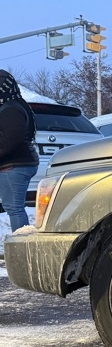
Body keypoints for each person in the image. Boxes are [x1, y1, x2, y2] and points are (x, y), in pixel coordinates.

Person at [0, 69, 40, 231]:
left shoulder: (11, 109)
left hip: (14, 164)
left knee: (14, 208)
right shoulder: (13, 104)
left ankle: (21, 247)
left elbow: (11, 141)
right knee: (14, 207)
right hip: (17, 162)